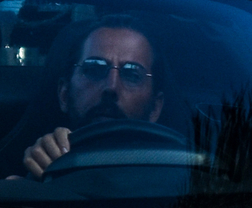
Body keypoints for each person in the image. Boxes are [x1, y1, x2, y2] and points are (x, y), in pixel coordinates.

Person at [20, 17, 166, 178]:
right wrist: (35, 178)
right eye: (94, 68)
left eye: (132, 74)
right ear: (64, 94)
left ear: (155, 108)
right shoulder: (39, 173)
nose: (111, 87)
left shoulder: (183, 182)